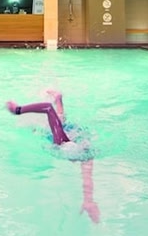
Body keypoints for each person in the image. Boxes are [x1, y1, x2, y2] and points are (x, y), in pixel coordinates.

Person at [6, 90, 101, 223]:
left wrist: (88, 201)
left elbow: (87, 180)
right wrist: (17, 110)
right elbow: (48, 108)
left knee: (58, 123)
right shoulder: (63, 144)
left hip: (72, 132)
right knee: (52, 125)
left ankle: (58, 99)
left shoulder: (86, 155)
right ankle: (58, 100)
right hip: (69, 133)